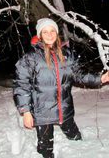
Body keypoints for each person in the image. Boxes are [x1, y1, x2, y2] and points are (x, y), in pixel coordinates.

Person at [13, 18, 109, 158]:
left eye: (52, 31)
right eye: (45, 32)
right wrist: (26, 111)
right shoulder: (30, 58)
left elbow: (79, 75)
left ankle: (82, 149)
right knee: (46, 147)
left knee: (74, 135)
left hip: (64, 108)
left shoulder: (67, 54)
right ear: (40, 35)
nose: (49, 34)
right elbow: (21, 84)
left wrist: (100, 79)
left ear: (57, 33)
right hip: (42, 112)